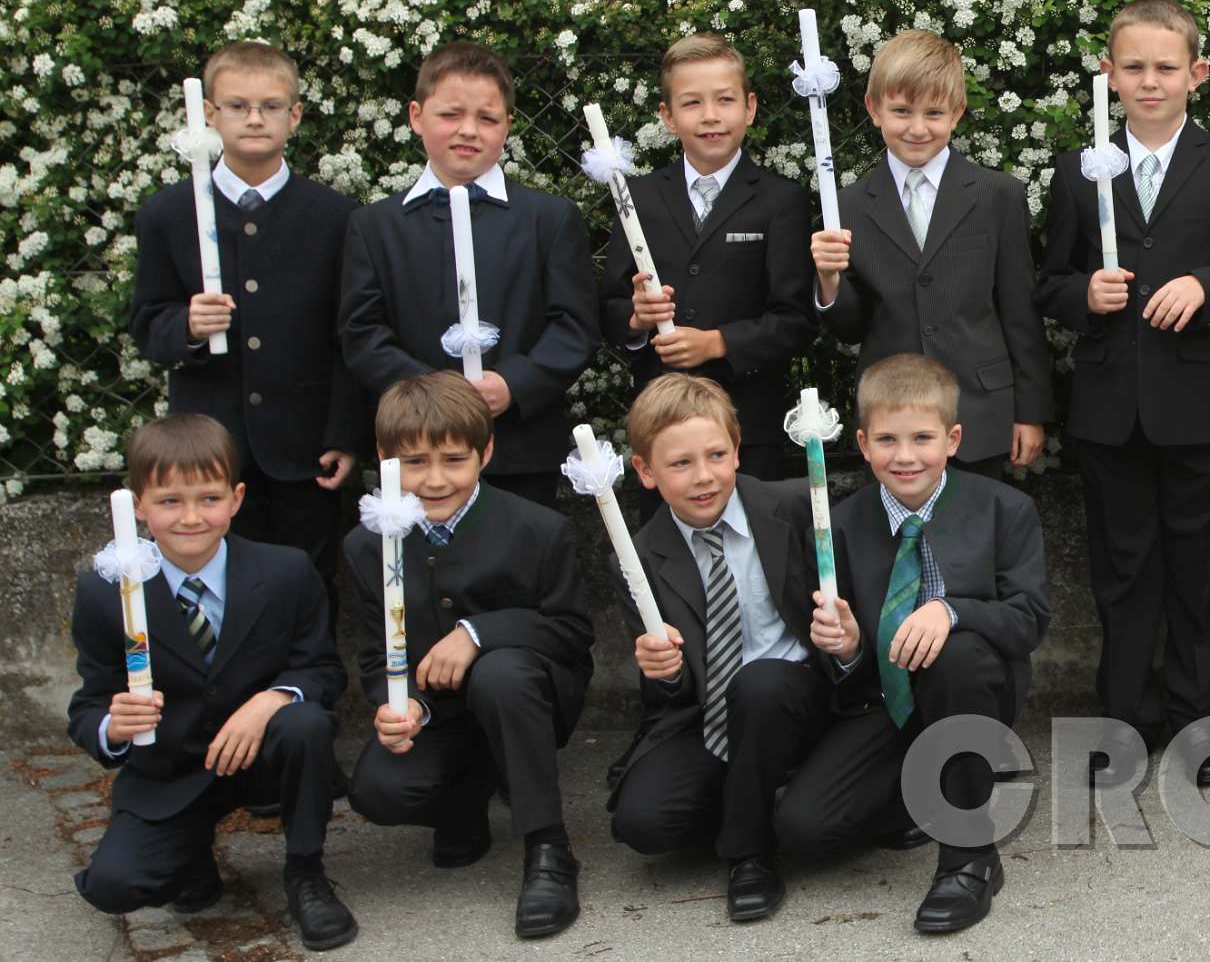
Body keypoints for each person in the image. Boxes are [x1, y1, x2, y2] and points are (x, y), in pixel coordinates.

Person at [1035, 0, 1210, 784]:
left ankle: (1200, 719)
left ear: (1195, 74)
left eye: (1165, 67)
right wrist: (1084, 298)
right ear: (1107, 73)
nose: (1149, 81)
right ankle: (1125, 719)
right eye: (1132, 67)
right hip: (1110, 411)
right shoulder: (1078, 172)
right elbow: (1051, 281)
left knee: (1200, 568)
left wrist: (1207, 287)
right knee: (1123, 570)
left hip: (1198, 410)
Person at [607, 374, 902, 924]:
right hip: (712, 716)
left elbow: (854, 634)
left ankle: (749, 855)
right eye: (679, 464)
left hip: (800, 697)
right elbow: (672, 691)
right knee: (643, 824)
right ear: (645, 472)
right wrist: (662, 671)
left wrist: (849, 642)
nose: (703, 476)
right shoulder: (641, 556)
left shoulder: (797, 509)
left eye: (716, 455)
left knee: (761, 684)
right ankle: (769, 794)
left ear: (737, 451)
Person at [68, 414, 354, 950]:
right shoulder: (105, 592)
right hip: (169, 771)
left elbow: (321, 669)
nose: (191, 517)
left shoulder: (287, 571)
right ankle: (190, 854)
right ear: (138, 507)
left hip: (263, 756)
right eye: (170, 501)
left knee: (305, 723)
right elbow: (86, 705)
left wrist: (268, 701)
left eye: (208, 498)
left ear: (237, 497)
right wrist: (114, 725)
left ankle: (306, 872)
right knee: (113, 885)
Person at [341, 372, 594, 939]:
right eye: (414, 462)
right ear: (384, 460)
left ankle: (548, 847)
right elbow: (375, 655)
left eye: (454, 459)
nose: (434, 480)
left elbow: (571, 632)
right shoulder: (366, 544)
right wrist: (395, 706)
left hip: (529, 695)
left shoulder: (539, 529)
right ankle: (464, 796)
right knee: (378, 790)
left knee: (501, 675)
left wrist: (478, 632)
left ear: (486, 451)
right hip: (440, 713)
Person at [129, 40, 365, 611]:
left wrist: (343, 433)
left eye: (270, 105)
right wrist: (185, 323)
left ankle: (305, 694)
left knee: (306, 580)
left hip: (302, 445)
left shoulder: (334, 216)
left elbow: (349, 335)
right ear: (209, 113)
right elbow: (146, 323)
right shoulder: (168, 212)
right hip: (210, 445)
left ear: (295, 115)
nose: (255, 118)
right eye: (237, 106)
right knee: (214, 585)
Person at [826, 354, 1051, 934]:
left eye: (922, 438)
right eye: (888, 440)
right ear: (863, 443)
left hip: (972, 693)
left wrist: (951, 610)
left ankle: (969, 857)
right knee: (807, 828)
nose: (905, 456)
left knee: (956, 654)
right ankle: (913, 794)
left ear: (952, 439)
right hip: (882, 703)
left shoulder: (1005, 509)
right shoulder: (840, 526)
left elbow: (1028, 620)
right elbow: (835, 658)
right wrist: (848, 646)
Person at [339, 41, 599, 507]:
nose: (468, 131)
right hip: (415, 450)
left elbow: (575, 326)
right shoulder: (375, 226)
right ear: (416, 116)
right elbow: (362, 332)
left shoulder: (549, 219)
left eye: (487, 118)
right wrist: (431, 398)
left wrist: (513, 384)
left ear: (508, 126)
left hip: (521, 449)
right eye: (450, 115)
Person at [811, 29, 1051, 476]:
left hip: (979, 412)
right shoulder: (846, 205)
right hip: (892, 419)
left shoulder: (998, 195)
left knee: (977, 537)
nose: (917, 128)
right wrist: (829, 281)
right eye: (901, 111)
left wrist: (1029, 410)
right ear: (874, 109)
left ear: (957, 113)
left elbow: (1020, 311)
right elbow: (850, 327)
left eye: (934, 113)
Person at [602, 34, 815, 495]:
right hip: (663, 427)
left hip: (747, 426)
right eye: (692, 103)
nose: (711, 116)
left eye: (725, 100)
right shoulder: (636, 198)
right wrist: (636, 321)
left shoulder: (783, 201)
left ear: (750, 108)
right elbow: (609, 305)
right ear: (668, 116)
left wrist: (718, 343)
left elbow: (796, 320)